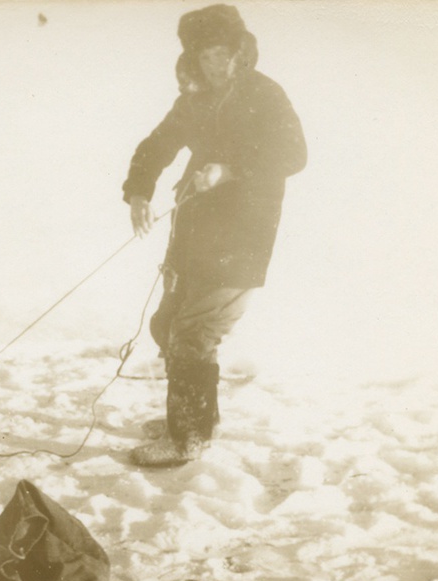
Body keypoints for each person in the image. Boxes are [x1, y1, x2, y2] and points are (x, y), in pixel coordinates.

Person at [122, 4, 307, 467]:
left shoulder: (265, 95)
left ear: (241, 52)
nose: (216, 65)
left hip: (242, 238)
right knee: (168, 326)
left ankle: (188, 437)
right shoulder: (195, 100)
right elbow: (157, 144)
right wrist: (138, 193)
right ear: (195, 61)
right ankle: (197, 416)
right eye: (206, 58)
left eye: (224, 54)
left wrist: (229, 170)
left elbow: (294, 153)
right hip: (193, 236)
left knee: (193, 333)